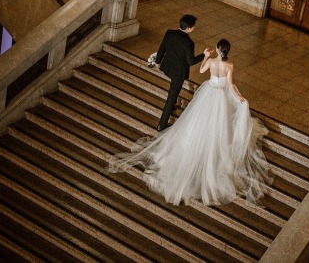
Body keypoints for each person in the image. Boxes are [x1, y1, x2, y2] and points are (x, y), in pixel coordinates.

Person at [108, 39, 272, 206]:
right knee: (218, 124)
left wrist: (206, 56)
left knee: (198, 121)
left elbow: (201, 70)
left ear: (217, 48)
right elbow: (229, 85)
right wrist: (240, 98)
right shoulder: (229, 65)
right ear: (227, 51)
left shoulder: (211, 62)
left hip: (208, 92)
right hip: (220, 96)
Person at [153, 14, 210, 131]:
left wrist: (157, 62)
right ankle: (161, 124)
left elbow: (162, 48)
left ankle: (173, 104)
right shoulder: (188, 42)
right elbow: (191, 61)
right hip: (178, 73)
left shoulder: (169, 33)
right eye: (193, 26)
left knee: (173, 92)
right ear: (188, 28)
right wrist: (204, 55)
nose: (194, 28)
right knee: (171, 96)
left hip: (168, 67)